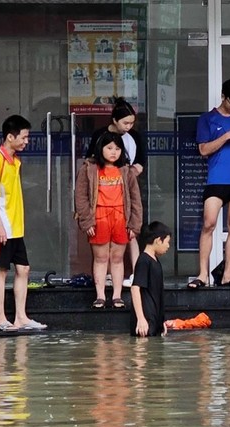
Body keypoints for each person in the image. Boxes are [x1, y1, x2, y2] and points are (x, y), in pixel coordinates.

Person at [0, 114, 45, 332]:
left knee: (23, 269)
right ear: (10, 136)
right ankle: (0, 319)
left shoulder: (15, 161)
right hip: (0, 228)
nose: (27, 141)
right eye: (24, 137)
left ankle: (21, 317)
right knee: (1, 270)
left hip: (15, 227)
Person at [191, 78, 230, 289]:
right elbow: (203, 150)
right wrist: (227, 136)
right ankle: (202, 274)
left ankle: (228, 274)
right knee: (209, 223)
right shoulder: (207, 119)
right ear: (223, 97)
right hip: (217, 179)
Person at [75, 130, 143, 309]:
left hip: (120, 217)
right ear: (100, 148)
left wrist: (135, 224)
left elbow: (136, 200)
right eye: (109, 148)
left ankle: (117, 295)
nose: (114, 152)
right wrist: (87, 221)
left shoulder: (126, 171)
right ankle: (100, 296)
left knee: (117, 257)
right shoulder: (89, 168)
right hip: (99, 217)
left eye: (118, 148)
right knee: (100, 257)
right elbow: (80, 197)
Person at [85, 98, 146, 286]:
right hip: (104, 193)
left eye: (131, 123)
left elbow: (141, 162)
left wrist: (130, 172)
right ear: (114, 120)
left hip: (126, 189)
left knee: (131, 233)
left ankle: (137, 273)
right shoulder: (100, 135)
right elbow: (90, 161)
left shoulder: (134, 136)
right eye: (125, 123)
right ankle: (108, 277)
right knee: (103, 242)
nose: (128, 126)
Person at [129, 221, 171, 338]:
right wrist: (141, 318)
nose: (168, 246)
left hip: (154, 318)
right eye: (167, 242)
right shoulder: (144, 260)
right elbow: (135, 288)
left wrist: (161, 321)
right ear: (158, 240)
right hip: (145, 320)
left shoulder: (156, 262)